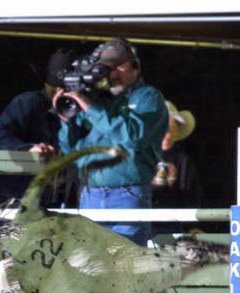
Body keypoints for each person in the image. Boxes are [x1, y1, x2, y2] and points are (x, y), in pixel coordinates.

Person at [55, 38, 169, 245]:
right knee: (88, 264)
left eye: (119, 67)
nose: (113, 73)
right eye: (107, 68)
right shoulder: (96, 98)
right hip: (90, 193)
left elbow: (133, 137)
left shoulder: (149, 97)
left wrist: (89, 106)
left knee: (124, 263)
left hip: (127, 195)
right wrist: (66, 121)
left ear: (135, 66)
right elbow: (69, 148)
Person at [0, 48, 75, 203]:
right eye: (54, 86)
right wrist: (28, 149)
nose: (59, 91)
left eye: (64, 88)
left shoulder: (74, 111)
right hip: (14, 193)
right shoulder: (29, 102)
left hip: (49, 195)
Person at [151, 101, 201, 212]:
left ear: (177, 131)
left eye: (170, 128)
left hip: (173, 219)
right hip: (146, 219)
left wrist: (190, 226)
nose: (165, 132)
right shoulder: (143, 156)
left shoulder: (183, 160)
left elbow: (190, 193)